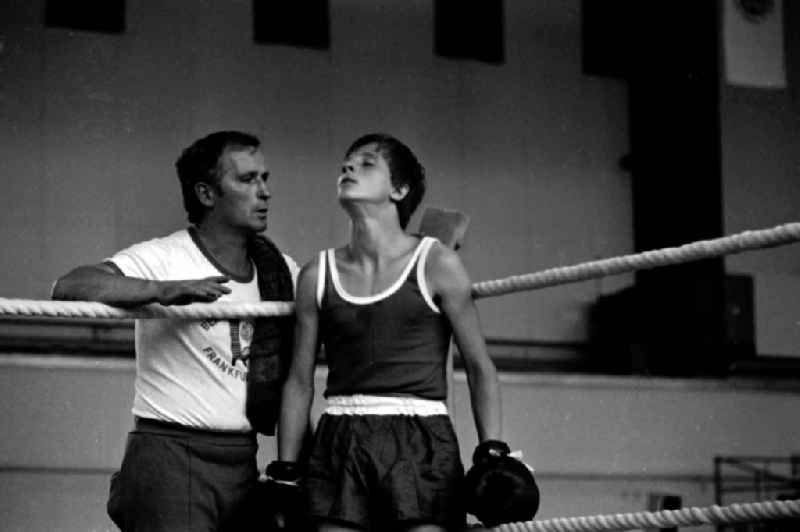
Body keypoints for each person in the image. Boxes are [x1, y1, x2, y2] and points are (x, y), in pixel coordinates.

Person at [51, 131, 299, 531]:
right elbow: (69, 287)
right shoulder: (165, 257)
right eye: (248, 179)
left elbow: (340, 305)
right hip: (169, 454)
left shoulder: (279, 269)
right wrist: (160, 291)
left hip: (243, 461)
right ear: (206, 193)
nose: (265, 191)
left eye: (265, 178)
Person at [275, 133, 504, 531]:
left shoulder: (436, 263)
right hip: (339, 436)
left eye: (366, 164)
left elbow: (480, 367)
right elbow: (299, 380)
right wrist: (286, 467)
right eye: (346, 163)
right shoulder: (317, 273)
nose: (348, 168)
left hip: (420, 436)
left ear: (399, 189)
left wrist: (494, 452)